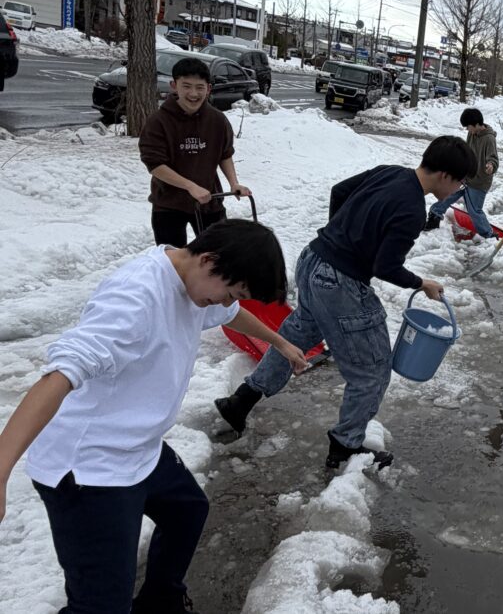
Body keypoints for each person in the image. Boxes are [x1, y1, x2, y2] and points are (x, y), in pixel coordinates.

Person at [0, 220, 307, 614]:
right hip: (89, 468)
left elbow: (230, 313)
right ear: (210, 261)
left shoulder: (193, 277)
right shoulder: (135, 300)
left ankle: (160, 601)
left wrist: (279, 342)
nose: (222, 302)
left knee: (187, 510)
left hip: (138, 449)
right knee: (100, 605)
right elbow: (59, 377)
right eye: (227, 293)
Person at [214, 136, 475, 469]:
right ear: (446, 176)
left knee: (295, 337)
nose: (458, 191)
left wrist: (339, 235)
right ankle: (345, 445)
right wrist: (421, 283)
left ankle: (241, 401)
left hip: (312, 260)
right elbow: (385, 267)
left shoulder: (389, 172)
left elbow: (339, 191)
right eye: (460, 183)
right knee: (373, 370)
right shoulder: (411, 210)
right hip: (338, 283)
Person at [139, 57, 253, 248]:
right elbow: (155, 165)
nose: (193, 93)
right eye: (187, 86)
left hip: (209, 201)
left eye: (200, 87)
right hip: (169, 204)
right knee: (173, 261)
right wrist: (190, 186)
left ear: (208, 89)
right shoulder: (158, 122)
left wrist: (234, 183)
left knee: (219, 255)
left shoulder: (217, 120)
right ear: (174, 86)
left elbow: (224, 154)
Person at [423, 108, 501, 238]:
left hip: (479, 182)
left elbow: (493, 158)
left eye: (468, 127)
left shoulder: (489, 138)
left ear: (476, 124)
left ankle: (489, 235)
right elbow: (467, 151)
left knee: (474, 210)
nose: (467, 130)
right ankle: (434, 216)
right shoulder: (472, 134)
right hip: (466, 176)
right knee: (448, 194)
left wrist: (490, 165)